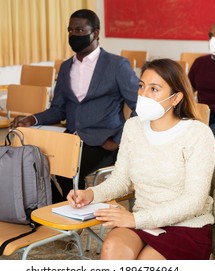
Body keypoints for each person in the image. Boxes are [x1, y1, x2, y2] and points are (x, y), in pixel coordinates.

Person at [67, 59, 215, 260]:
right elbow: (121, 180)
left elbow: (194, 201)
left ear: (175, 98)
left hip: (185, 226)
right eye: (141, 86)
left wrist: (135, 219)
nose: (144, 94)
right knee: (111, 248)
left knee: (146, 263)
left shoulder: (198, 134)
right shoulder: (133, 126)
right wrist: (91, 194)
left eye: (154, 89)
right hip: (140, 220)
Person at [11, 9, 139, 203]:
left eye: (79, 30)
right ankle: (61, 208)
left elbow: (139, 106)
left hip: (103, 142)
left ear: (95, 33)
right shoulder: (65, 67)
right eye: (70, 30)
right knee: (33, 161)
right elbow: (58, 109)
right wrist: (32, 119)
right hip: (72, 138)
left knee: (66, 168)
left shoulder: (117, 65)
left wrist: (119, 140)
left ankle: (70, 211)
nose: (73, 35)